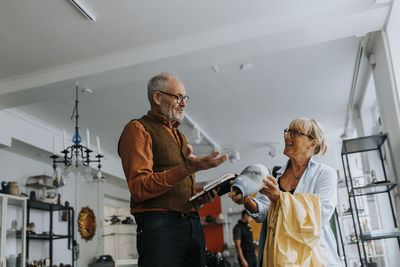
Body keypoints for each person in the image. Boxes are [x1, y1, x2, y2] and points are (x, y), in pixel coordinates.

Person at [118, 73, 228, 267]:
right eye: (178, 97)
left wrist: (200, 199)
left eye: (185, 98)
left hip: (193, 225)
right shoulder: (138, 129)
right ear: (158, 97)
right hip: (160, 227)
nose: (183, 103)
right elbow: (139, 187)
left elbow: (177, 189)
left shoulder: (182, 137)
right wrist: (185, 169)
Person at [229, 118, 341, 267]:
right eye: (287, 131)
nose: (286, 136)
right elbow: (263, 213)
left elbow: (321, 214)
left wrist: (279, 198)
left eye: (295, 133)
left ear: (312, 143)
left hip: (314, 258)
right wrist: (247, 201)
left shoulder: (325, 174)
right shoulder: (273, 174)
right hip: (278, 259)